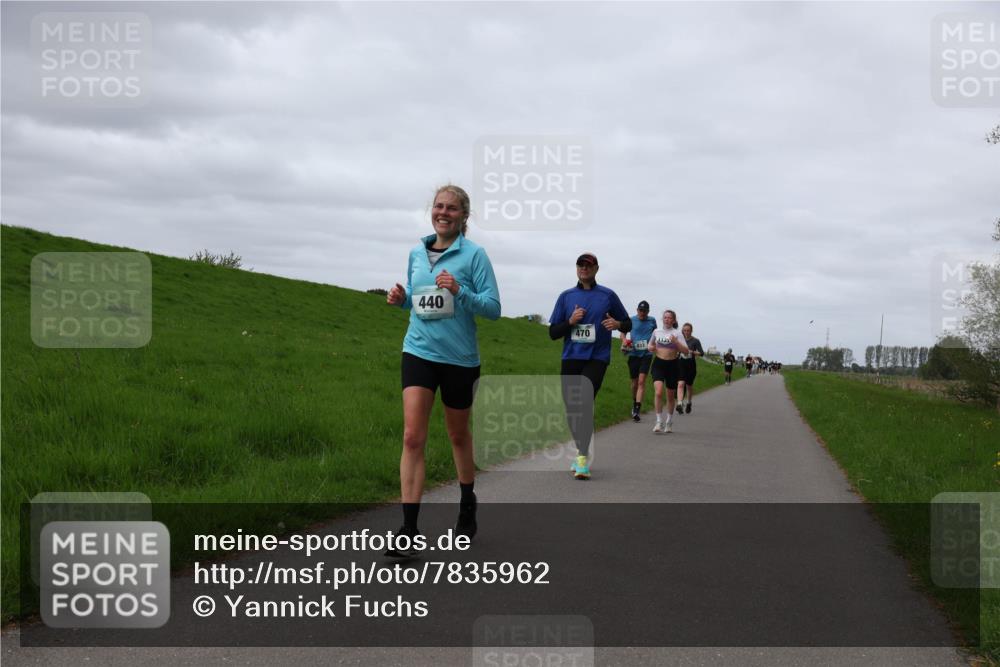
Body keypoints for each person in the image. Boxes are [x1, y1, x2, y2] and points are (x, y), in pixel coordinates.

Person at [385, 185, 500, 556]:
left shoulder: (475, 256)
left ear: (464, 216)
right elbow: (421, 304)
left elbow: (493, 307)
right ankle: (409, 530)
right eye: (439, 206)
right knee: (411, 436)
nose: (444, 212)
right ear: (431, 211)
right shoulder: (416, 253)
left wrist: (461, 290)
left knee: (457, 435)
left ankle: (467, 502)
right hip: (418, 351)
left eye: (452, 208)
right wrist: (403, 302)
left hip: (459, 359)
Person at [548, 253, 631, 479]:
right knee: (573, 409)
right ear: (576, 268)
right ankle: (580, 450)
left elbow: (628, 322)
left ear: (596, 269)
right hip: (571, 357)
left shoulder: (607, 295)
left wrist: (618, 324)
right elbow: (553, 333)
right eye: (580, 265)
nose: (583, 269)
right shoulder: (566, 297)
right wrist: (570, 322)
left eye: (588, 265)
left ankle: (583, 457)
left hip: (597, 357)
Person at [647, 310, 690, 434]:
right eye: (665, 317)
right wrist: (651, 348)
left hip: (673, 365)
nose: (667, 319)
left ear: (674, 320)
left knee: (670, 396)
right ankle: (659, 421)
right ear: (662, 319)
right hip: (659, 364)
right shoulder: (656, 332)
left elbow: (686, 351)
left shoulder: (677, 334)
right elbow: (650, 346)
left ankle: (669, 422)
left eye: (669, 318)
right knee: (659, 392)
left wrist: (676, 342)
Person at [627, 300, 656, 422]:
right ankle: (634, 403)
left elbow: (655, 334)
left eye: (644, 311)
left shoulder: (652, 321)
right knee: (634, 383)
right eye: (640, 310)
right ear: (637, 310)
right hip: (633, 354)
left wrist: (653, 345)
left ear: (648, 312)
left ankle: (637, 409)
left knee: (641, 381)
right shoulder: (631, 320)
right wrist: (624, 341)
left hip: (646, 354)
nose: (642, 313)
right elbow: (623, 333)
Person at [677, 322, 704, 413]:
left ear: (691, 331)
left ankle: (689, 402)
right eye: (684, 330)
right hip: (681, 364)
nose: (686, 332)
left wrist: (692, 352)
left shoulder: (695, 341)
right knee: (680, 384)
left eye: (688, 330)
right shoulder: (679, 340)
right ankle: (680, 403)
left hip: (691, 365)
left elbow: (701, 353)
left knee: (689, 386)